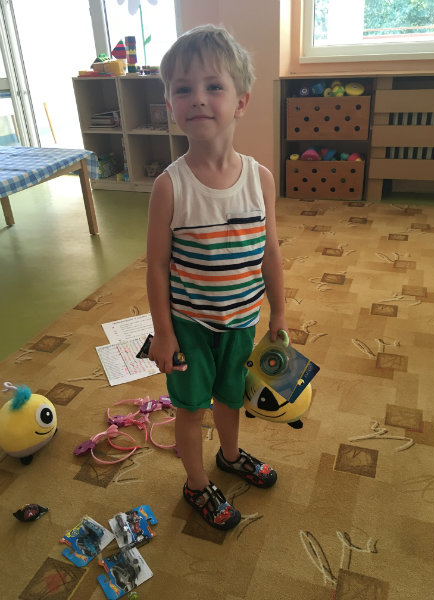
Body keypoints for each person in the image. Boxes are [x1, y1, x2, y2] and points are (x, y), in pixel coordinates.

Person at [146, 24, 287, 531]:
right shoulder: (170, 186)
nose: (198, 98)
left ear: (241, 101)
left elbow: (269, 250)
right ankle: (196, 483)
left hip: (242, 321)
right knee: (191, 408)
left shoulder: (260, 179)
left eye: (213, 86)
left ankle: (229, 456)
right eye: (183, 88)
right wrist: (163, 333)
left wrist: (279, 311)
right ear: (170, 104)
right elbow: (156, 266)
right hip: (189, 326)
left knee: (231, 398)